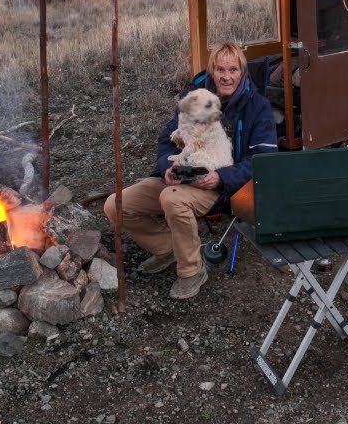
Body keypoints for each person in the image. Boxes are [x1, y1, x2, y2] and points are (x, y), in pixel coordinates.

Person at [104, 42, 278, 300]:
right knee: (115, 205)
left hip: (220, 185)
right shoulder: (194, 99)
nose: (226, 76)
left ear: (242, 72)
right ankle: (170, 248)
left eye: (233, 69)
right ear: (212, 71)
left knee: (171, 199)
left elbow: (263, 158)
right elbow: (167, 140)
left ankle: (191, 270)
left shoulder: (257, 106)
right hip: (180, 175)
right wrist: (166, 166)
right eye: (220, 69)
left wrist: (222, 177)